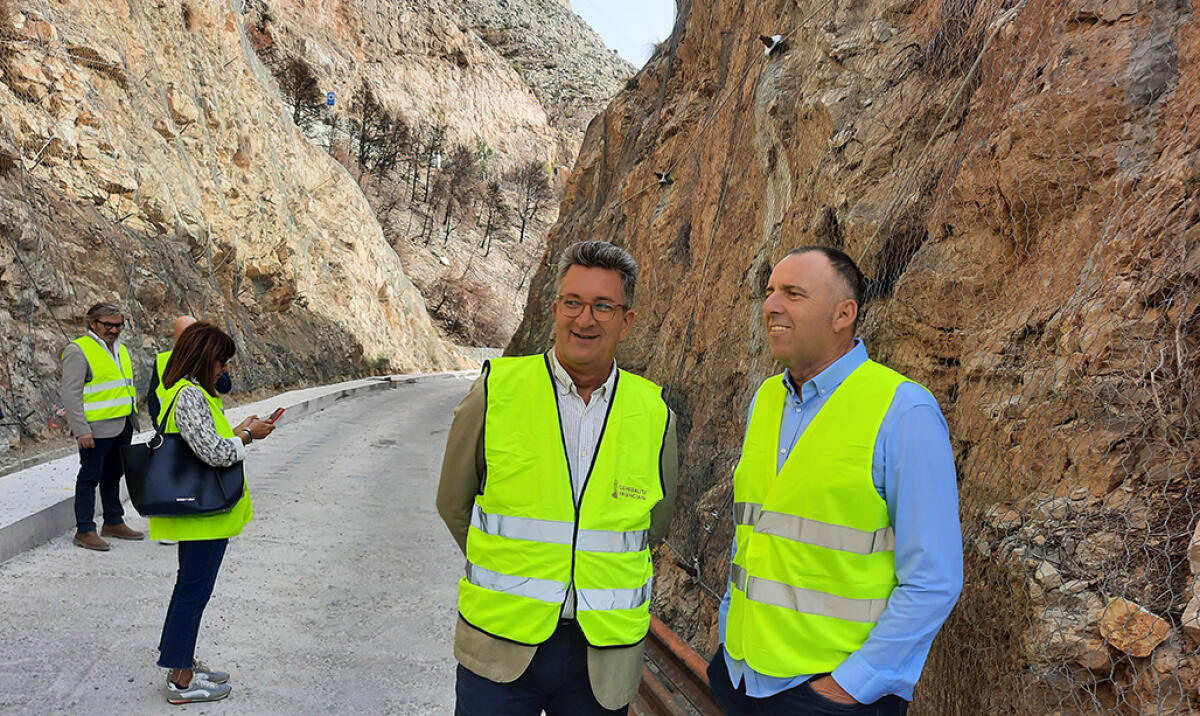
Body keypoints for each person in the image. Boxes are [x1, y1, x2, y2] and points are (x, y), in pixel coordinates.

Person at [707, 246, 963, 715]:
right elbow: (755, 534)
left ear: (844, 313)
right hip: (741, 676)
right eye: (769, 292)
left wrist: (852, 684)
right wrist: (728, 631)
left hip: (829, 698)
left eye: (793, 293)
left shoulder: (903, 411)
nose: (771, 305)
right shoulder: (766, 399)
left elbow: (933, 578)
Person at [436, 240, 678, 715]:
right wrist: (514, 569)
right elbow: (453, 503)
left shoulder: (655, 413)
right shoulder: (496, 390)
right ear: (554, 309)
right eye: (572, 302)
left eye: (603, 306)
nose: (584, 319)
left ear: (626, 321)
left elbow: (655, 525)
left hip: (602, 657)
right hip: (500, 647)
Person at [151, 321, 275, 704]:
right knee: (193, 592)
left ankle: (179, 661)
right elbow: (217, 453)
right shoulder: (190, 395)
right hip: (203, 515)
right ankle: (182, 681)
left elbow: (207, 439)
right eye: (221, 361)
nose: (224, 369)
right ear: (206, 358)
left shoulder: (188, 391)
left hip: (203, 514)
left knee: (189, 589)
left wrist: (237, 429)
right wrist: (250, 436)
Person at [59, 303, 143, 551]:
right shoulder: (78, 350)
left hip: (123, 423)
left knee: (113, 475)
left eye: (118, 325)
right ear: (92, 324)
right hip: (95, 430)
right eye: (108, 325)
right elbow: (70, 394)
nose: (114, 330)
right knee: (89, 478)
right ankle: (84, 530)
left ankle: (113, 521)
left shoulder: (121, 349)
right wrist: (81, 429)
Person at [147, 315, 231, 426]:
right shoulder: (162, 361)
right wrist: (157, 424)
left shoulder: (210, 358)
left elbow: (225, 387)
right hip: (174, 430)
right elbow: (153, 397)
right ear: (176, 337)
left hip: (210, 426)